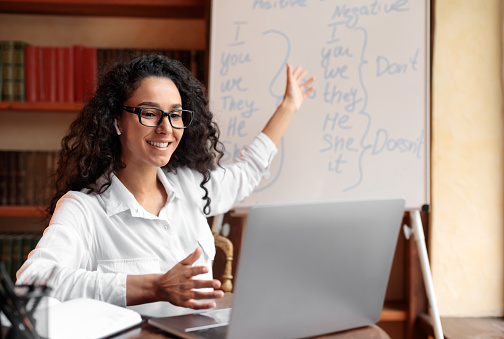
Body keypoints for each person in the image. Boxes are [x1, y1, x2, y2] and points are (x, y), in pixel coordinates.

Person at [16, 54, 315, 310]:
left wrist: (288, 106)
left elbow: (247, 170)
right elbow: (32, 281)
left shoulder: (190, 185)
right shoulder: (84, 208)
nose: (166, 128)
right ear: (116, 121)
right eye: (149, 113)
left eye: (175, 115)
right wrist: (154, 286)